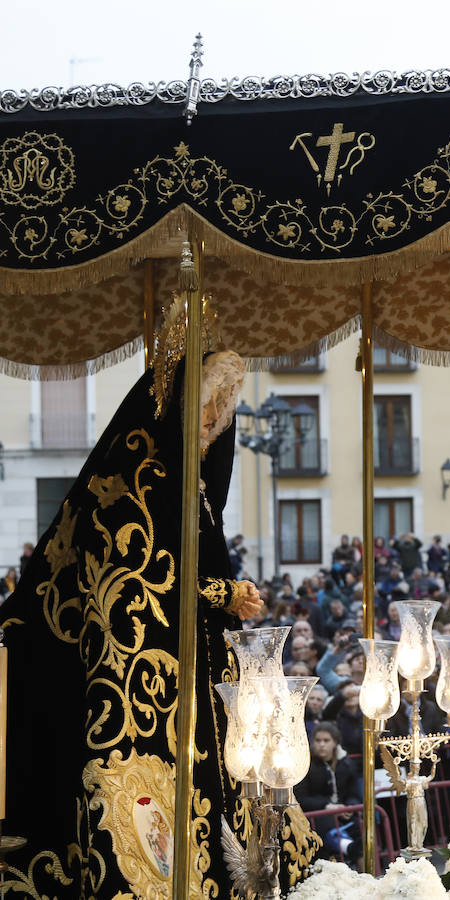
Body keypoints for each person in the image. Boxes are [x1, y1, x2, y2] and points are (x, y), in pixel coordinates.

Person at [0, 329, 320, 898]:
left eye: (223, 407)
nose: (215, 417)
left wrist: (229, 594)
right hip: (143, 672)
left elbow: (196, 564)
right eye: (206, 403)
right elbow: (135, 575)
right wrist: (222, 594)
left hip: (204, 665)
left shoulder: (195, 485)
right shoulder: (132, 479)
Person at [294, 723, 362, 860]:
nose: (322, 745)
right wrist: (327, 805)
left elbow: (353, 793)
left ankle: (368, 873)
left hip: (344, 814)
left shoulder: (346, 764)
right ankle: (346, 846)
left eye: (326, 740)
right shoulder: (305, 765)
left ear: (335, 742)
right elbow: (301, 798)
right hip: (317, 816)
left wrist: (349, 807)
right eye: (318, 741)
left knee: (362, 830)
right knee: (326, 822)